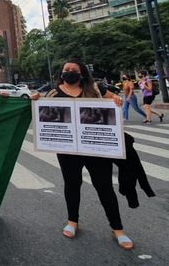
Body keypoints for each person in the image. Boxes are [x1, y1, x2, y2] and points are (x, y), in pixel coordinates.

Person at [31, 59, 135, 250]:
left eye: (73, 69)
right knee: (72, 184)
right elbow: (42, 110)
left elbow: (113, 98)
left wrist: (117, 100)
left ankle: (117, 228)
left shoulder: (94, 89)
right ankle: (72, 221)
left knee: (104, 186)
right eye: (66, 69)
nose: (69, 72)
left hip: (95, 147)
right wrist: (36, 100)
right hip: (68, 150)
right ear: (61, 73)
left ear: (82, 73)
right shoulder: (54, 92)